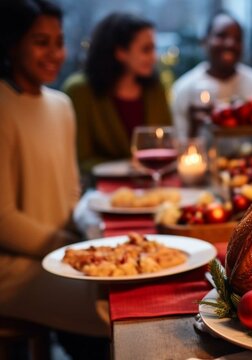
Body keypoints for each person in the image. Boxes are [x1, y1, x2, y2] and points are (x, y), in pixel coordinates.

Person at [0, 0, 109, 355]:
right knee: (111, 310)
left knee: (128, 291)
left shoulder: (62, 105)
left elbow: (70, 191)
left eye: (59, 42)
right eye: (40, 41)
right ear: (12, 43)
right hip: (15, 269)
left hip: (63, 252)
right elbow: (3, 221)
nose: (54, 53)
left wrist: (89, 228)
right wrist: (74, 249)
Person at [63, 12, 172, 179]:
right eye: (146, 49)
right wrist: (128, 167)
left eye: (153, 48)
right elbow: (80, 158)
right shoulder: (80, 91)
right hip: (100, 191)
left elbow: (167, 143)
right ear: (120, 52)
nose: (154, 57)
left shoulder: (154, 88)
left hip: (152, 184)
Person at [171, 11, 252, 152]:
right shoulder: (184, 88)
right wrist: (195, 127)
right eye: (221, 36)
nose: (230, 43)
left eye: (237, 39)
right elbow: (179, 146)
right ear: (204, 41)